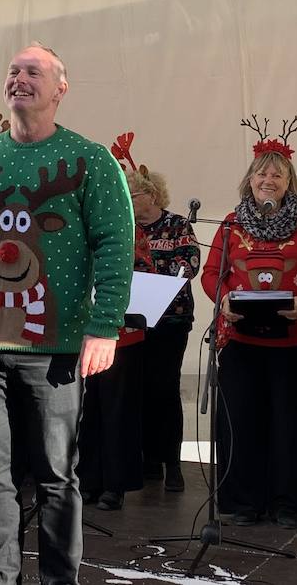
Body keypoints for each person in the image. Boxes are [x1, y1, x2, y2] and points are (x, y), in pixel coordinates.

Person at [0, 43, 134, 585]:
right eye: (13, 71)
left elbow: (115, 243)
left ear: (61, 88)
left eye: (34, 71)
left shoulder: (91, 161)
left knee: (57, 476)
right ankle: (0, 577)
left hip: (55, 351)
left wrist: (104, 326)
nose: (20, 78)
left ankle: (59, 579)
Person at [201, 116, 297, 530]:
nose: (268, 179)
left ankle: (289, 503)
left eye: (277, 173)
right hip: (242, 339)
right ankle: (243, 502)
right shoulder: (231, 222)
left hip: (295, 341)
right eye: (262, 172)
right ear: (250, 180)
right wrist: (222, 301)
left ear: (289, 181)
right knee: (241, 422)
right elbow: (210, 273)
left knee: (291, 426)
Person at [115, 133, 200, 492]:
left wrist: (152, 276)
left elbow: (190, 263)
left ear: (151, 195)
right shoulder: (124, 228)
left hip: (170, 320)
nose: (129, 201)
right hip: (133, 322)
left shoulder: (177, 224)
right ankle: (146, 460)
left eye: (132, 195)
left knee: (164, 389)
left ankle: (171, 462)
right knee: (135, 389)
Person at [77, 223, 154, 510]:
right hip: (78, 330)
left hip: (121, 334)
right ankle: (86, 478)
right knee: (85, 411)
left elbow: (145, 270)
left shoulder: (130, 228)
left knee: (117, 410)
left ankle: (114, 484)